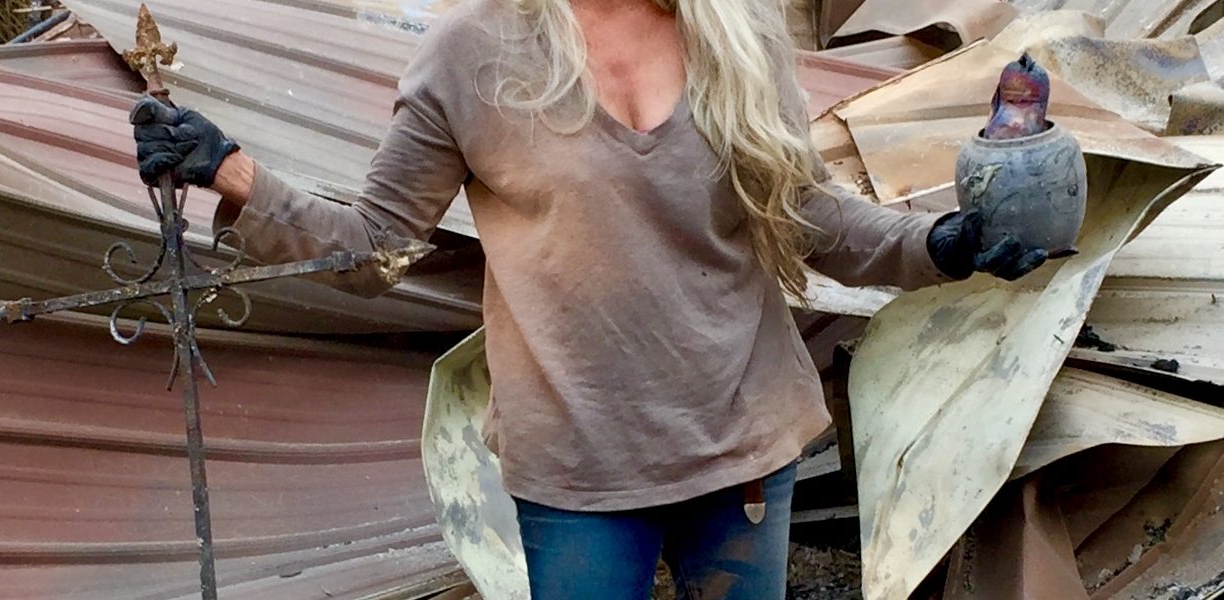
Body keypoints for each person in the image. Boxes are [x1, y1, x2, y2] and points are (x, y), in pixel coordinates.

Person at [130, 0, 1047, 598]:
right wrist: (232, 171)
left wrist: (936, 243)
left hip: (741, 442)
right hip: (579, 467)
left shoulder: (735, 29)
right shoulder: (474, 52)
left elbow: (801, 210)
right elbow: (377, 247)